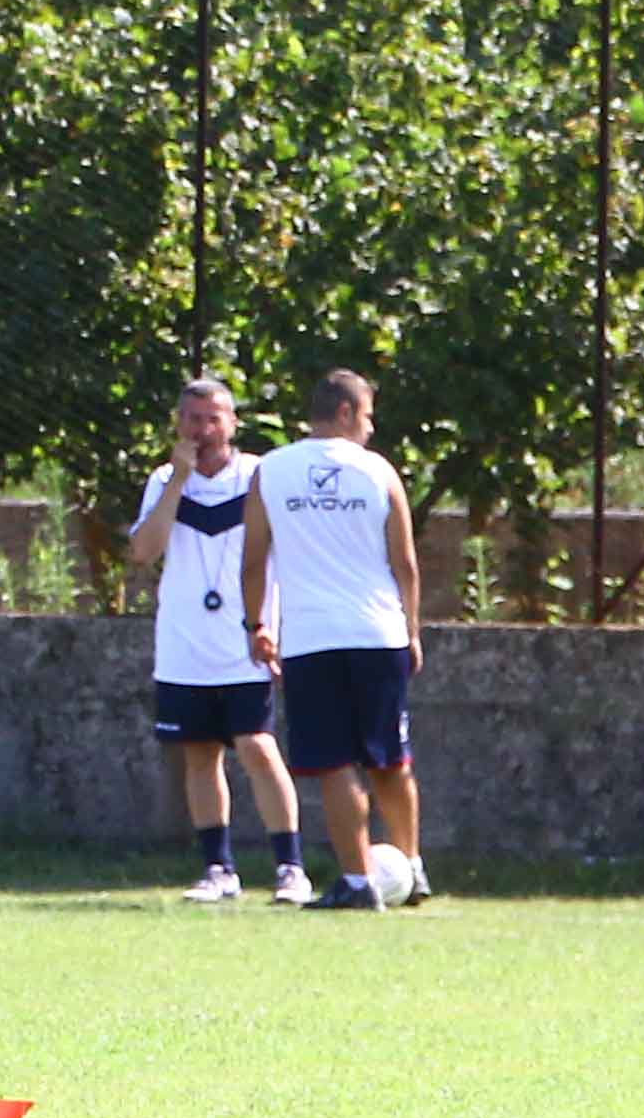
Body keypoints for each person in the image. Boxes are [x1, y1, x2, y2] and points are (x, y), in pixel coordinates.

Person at [244, 369, 425, 910]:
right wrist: (411, 629)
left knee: (335, 763)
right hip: (378, 633)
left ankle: (357, 880)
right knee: (391, 757)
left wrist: (258, 624)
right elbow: (407, 564)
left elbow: (254, 559)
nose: (370, 429)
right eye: (367, 416)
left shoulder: (271, 471)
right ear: (346, 413)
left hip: (310, 640)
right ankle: (412, 869)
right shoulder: (378, 472)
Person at [127, 376, 307, 903]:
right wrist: (178, 483)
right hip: (184, 644)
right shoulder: (164, 479)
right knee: (200, 754)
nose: (203, 430)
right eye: (192, 419)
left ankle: (290, 867)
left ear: (232, 423)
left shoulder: (259, 476)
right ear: (178, 425)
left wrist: (271, 623)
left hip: (245, 642)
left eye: (213, 419)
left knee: (257, 746)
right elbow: (143, 551)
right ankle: (218, 868)